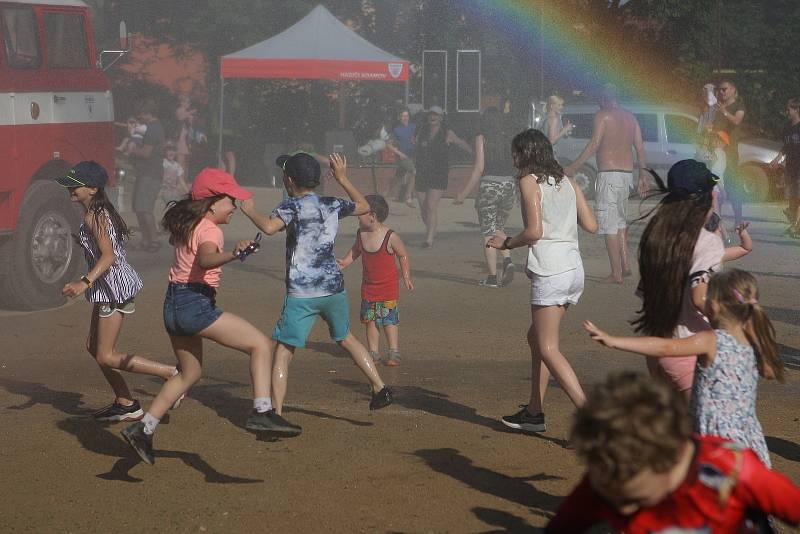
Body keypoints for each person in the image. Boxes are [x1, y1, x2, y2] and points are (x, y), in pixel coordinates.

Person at [121, 168, 296, 466]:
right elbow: (205, 259)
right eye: (231, 200)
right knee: (261, 345)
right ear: (213, 202)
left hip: (172, 306)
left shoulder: (188, 223)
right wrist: (234, 254)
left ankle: (143, 428)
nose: (234, 207)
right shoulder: (211, 230)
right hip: (194, 304)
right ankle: (263, 412)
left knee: (189, 374)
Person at [546, 371, 800, 533]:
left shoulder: (733, 470)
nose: (622, 513)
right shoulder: (608, 481)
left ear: (670, 458)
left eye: (635, 501)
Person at [240, 153, 393, 416]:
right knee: (346, 338)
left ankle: (275, 413)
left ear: (288, 180)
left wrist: (249, 209)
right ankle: (379, 387)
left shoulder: (290, 207)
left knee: (284, 351)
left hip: (302, 293)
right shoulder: (331, 203)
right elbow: (364, 206)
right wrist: (343, 178)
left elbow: (267, 227)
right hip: (333, 287)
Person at [585, 268, 784, 467]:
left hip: (716, 440)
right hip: (747, 438)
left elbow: (666, 346)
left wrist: (613, 341)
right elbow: (768, 371)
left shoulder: (711, 340)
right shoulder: (754, 340)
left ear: (713, 305)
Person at [487, 129, 598, 432]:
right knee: (537, 338)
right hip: (573, 269)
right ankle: (534, 411)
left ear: (526, 154)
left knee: (548, 347)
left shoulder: (528, 182)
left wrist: (507, 243)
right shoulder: (569, 182)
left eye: (515, 153)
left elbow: (534, 231)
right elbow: (591, 224)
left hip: (552, 270)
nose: (512, 159)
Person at [57, 161, 178, 422]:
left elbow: (109, 256)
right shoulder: (96, 212)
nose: (70, 189)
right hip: (108, 286)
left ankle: (170, 374)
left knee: (106, 354)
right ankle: (125, 402)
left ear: (92, 188)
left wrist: (83, 282)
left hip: (113, 287)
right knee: (94, 347)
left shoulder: (96, 215)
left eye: (74, 185)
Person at [634, 160, 752, 398]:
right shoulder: (706, 242)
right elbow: (700, 299)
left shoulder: (656, 235)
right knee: (700, 432)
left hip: (657, 347)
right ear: (706, 197)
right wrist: (736, 327)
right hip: (689, 351)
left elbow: (646, 296)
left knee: (674, 430)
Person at [564, 84, 647, 284]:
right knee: (619, 221)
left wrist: (574, 166)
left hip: (609, 173)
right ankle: (625, 265)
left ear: (602, 100)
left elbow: (595, 144)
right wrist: (642, 174)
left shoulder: (602, 116)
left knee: (609, 225)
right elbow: (640, 147)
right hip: (626, 174)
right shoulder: (631, 118)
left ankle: (616, 273)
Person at [338, 195, 414, 366]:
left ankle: (393, 351)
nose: (357, 216)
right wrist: (345, 261)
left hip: (388, 287)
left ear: (372, 216)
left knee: (389, 320)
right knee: (370, 320)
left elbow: (402, 255)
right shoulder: (361, 234)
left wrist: (406, 276)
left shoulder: (390, 236)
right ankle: (373, 352)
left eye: (361, 213)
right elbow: (356, 251)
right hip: (368, 288)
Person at [454, 107, 518, 288]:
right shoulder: (510, 139)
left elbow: (479, 167)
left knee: (488, 232)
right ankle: (507, 260)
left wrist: (463, 194)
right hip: (508, 185)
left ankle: (492, 277)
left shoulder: (482, 138)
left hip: (490, 186)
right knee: (498, 227)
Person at [413, 106, 473, 248]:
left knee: (430, 206)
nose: (432, 117)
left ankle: (429, 239)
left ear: (441, 118)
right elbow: (416, 149)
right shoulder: (422, 130)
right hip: (422, 172)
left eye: (436, 115)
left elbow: (461, 143)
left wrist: (474, 152)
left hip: (438, 173)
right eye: (430, 114)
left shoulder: (447, 133)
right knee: (423, 208)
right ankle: (432, 230)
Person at [129, 99, 166, 252]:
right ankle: (146, 239)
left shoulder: (153, 129)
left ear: (147, 113)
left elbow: (146, 152)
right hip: (146, 173)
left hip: (151, 173)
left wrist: (132, 150)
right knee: (139, 207)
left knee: (145, 208)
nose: (139, 117)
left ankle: (154, 240)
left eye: (141, 114)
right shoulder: (151, 127)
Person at [712, 78, 746, 226]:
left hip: (730, 152)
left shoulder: (738, 105)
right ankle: (717, 219)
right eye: (719, 90)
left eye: (724, 89)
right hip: (716, 151)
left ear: (733, 89)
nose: (721, 92)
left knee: (732, 186)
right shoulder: (717, 106)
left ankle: (738, 218)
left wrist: (724, 111)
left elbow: (737, 120)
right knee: (714, 186)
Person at [770, 97, 800, 237]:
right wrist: (777, 159)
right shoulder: (787, 126)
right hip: (791, 166)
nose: (787, 111)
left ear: (797, 110)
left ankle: (796, 226)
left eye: (789, 109)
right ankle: (795, 224)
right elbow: (786, 146)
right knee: (792, 197)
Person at [391, 109, 417, 206]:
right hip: (402, 156)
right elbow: (389, 145)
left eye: (406, 116)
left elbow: (418, 137)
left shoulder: (413, 127)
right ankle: (408, 196)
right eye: (403, 116)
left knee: (398, 176)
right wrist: (399, 153)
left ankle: (385, 193)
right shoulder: (396, 129)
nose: (405, 118)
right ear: (399, 118)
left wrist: (416, 140)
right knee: (414, 171)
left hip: (413, 155)